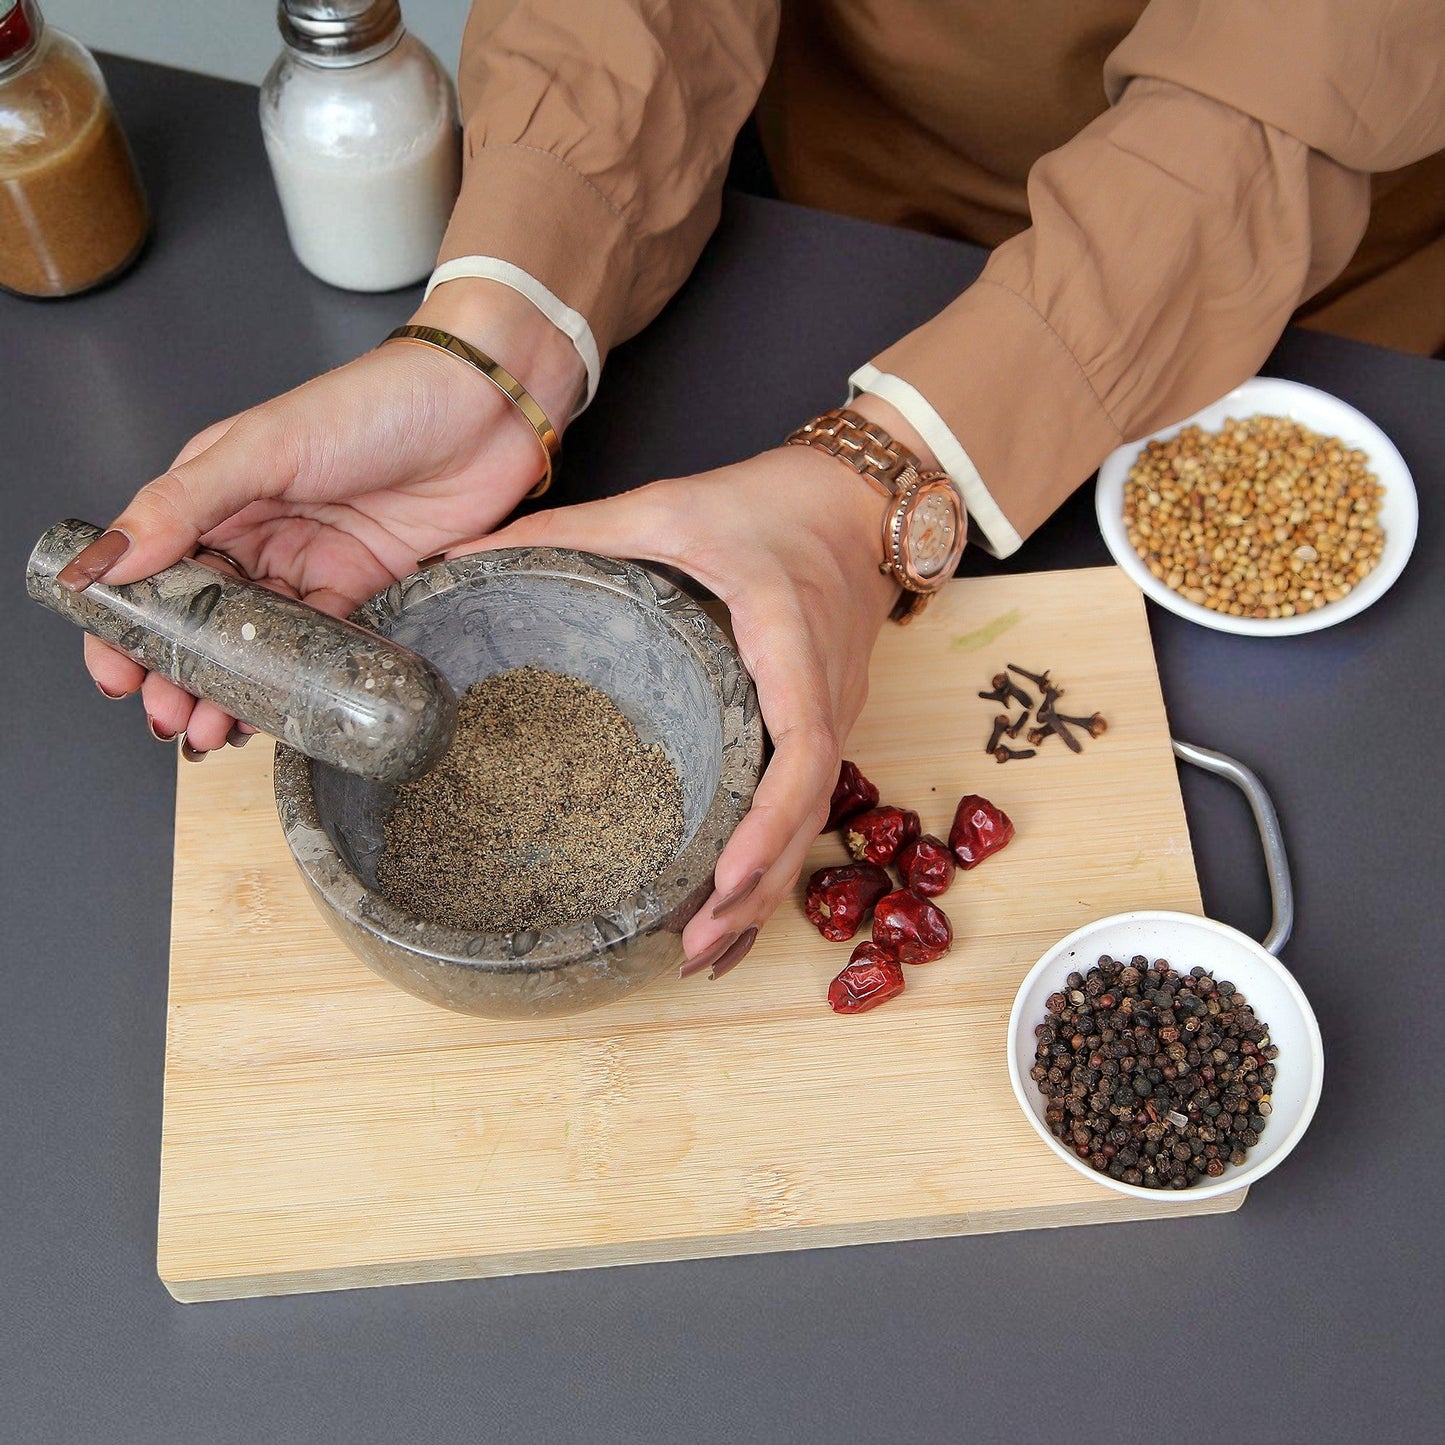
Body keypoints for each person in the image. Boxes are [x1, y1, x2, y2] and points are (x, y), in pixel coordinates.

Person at [62, 1, 1444, 981]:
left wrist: (886, 474)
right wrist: (499, 342)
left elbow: (1296, 66)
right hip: (838, 205)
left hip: (1244, 267)